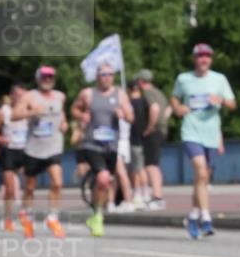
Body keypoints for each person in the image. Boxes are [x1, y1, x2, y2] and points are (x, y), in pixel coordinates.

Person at [170, 44, 236, 239]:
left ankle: (193, 214)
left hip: (211, 134)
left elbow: (233, 104)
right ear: (194, 59)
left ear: (211, 59)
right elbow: (174, 98)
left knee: (203, 178)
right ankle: (206, 218)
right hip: (191, 131)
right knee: (200, 171)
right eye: (200, 56)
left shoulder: (219, 79)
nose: (203, 59)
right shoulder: (184, 78)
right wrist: (178, 108)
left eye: (207, 56)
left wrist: (221, 100)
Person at [72, 64, 134, 236]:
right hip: (91, 144)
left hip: (111, 146)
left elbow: (131, 117)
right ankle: (98, 216)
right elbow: (74, 109)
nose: (106, 77)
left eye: (109, 74)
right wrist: (81, 115)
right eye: (103, 74)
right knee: (103, 177)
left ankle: (95, 212)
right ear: (97, 76)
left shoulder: (120, 94)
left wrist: (123, 115)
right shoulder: (88, 93)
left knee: (104, 183)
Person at [12, 66, 69, 238]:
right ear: (38, 79)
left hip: (54, 147)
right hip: (34, 149)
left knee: (57, 182)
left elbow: (61, 114)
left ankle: (52, 218)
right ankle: (27, 216)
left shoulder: (60, 96)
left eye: (50, 77)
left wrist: (64, 123)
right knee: (30, 187)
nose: (47, 80)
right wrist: (31, 112)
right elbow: (14, 115)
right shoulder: (30, 96)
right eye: (44, 77)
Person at [0, 84, 29, 232]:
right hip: (9, 151)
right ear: (11, 96)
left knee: (29, 186)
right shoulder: (3, 111)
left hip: (25, 151)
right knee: (10, 189)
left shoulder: (28, 110)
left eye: (23, 96)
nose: (20, 98)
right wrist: (2, 139)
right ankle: (8, 218)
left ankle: (23, 213)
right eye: (18, 95)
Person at [135, 69, 169, 210]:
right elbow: (168, 110)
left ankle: (157, 197)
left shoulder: (147, 93)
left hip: (153, 132)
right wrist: (163, 123)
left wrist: (150, 127)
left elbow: (154, 108)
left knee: (151, 165)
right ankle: (157, 196)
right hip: (161, 131)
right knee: (154, 164)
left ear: (141, 81)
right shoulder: (159, 92)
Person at [127, 79, 150, 208]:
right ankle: (144, 191)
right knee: (140, 166)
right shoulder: (145, 102)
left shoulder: (129, 103)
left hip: (133, 138)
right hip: (143, 137)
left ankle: (139, 192)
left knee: (137, 168)